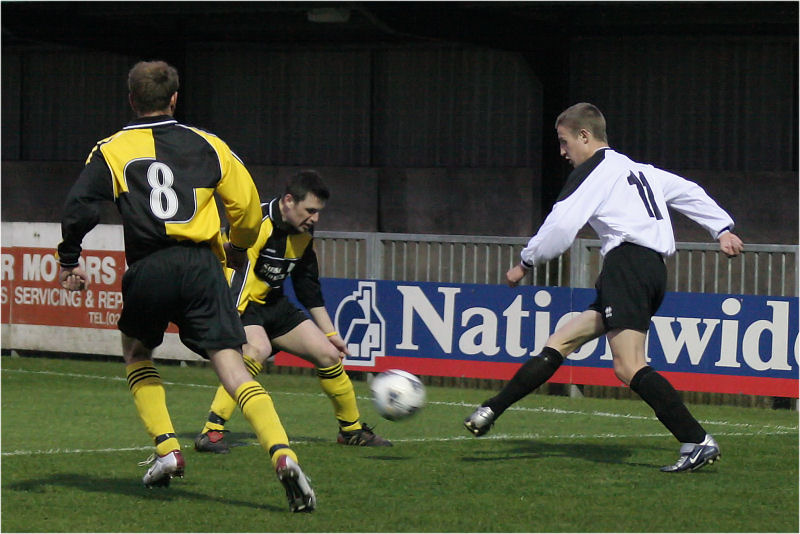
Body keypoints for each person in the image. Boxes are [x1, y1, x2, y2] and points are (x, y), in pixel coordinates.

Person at [56, 60, 316, 512]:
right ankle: (283, 453)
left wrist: (69, 258)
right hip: (202, 266)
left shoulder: (112, 149)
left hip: (150, 265)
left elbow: (80, 204)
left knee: (137, 352)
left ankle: (168, 450)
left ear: (132, 99)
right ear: (175, 98)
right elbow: (249, 206)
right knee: (233, 369)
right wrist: (238, 246)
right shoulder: (209, 145)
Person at [463, 102, 744, 473]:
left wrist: (524, 263)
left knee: (629, 367)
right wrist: (721, 228)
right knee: (562, 340)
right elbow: (688, 191)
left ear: (584, 136)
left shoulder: (595, 171)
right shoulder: (639, 170)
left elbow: (561, 226)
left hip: (627, 265)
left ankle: (696, 440)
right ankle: (490, 410)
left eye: (564, 142)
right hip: (649, 270)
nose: (562, 152)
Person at [194, 170, 392, 453]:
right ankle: (211, 431)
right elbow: (238, 277)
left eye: (319, 212)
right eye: (310, 210)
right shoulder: (256, 222)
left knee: (328, 353)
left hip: (273, 305)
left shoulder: (303, 232)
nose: (315, 218)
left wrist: (331, 333)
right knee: (256, 349)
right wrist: (229, 324)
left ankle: (351, 430)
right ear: (288, 201)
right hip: (238, 303)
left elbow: (306, 285)